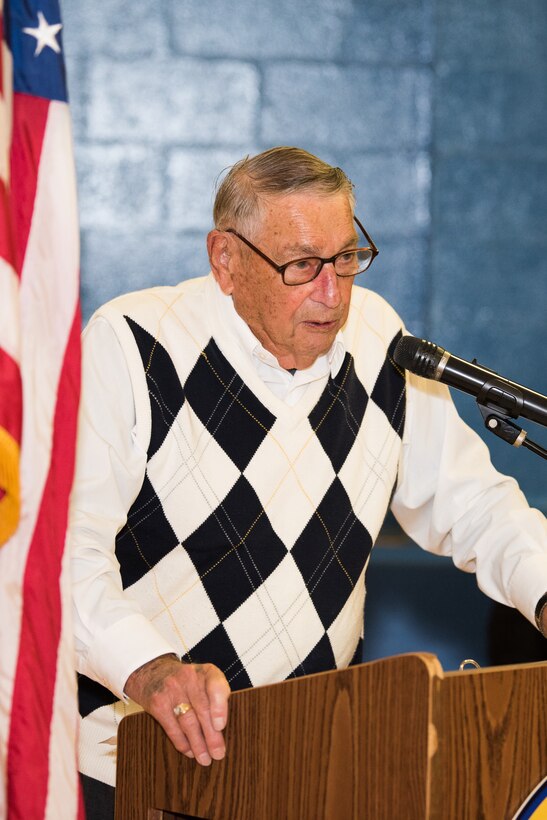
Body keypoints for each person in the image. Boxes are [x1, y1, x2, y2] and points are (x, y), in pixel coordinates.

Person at [69, 146, 547, 818]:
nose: (333, 292)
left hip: (304, 764)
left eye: (346, 257)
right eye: (301, 265)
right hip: (132, 768)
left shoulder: (379, 338)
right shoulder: (134, 344)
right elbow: (63, 549)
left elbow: (476, 507)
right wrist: (150, 668)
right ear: (225, 260)